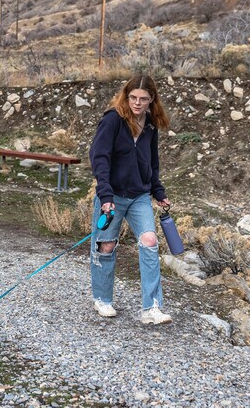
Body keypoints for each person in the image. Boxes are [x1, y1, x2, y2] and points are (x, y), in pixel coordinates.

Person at [88, 74, 172, 324]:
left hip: (139, 196)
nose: (137, 103)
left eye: (143, 99)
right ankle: (102, 299)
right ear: (126, 96)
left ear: (151, 99)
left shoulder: (150, 125)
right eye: (133, 97)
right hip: (111, 195)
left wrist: (158, 192)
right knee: (106, 245)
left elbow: (152, 162)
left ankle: (152, 308)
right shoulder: (113, 120)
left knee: (149, 240)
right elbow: (99, 157)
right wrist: (105, 194)